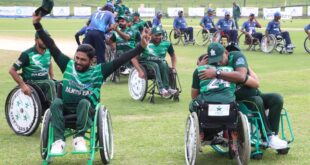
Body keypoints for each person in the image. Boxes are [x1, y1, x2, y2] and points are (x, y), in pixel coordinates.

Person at [32, 13, 149, 154]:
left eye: (82, 60)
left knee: (84, 103)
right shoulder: (67, 65)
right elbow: (51, 45)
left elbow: (121, 59)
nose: (78, 62)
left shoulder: (100, 71)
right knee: (56, 103)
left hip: (87, 112)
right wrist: (37, 25)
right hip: (65, 111)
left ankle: (79, 139)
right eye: (77, 58)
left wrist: (140, 48)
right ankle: (58, 142)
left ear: (92, 60)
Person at [9, 30, 56, 104]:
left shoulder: (49, 51)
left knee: (59, 83)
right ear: (36, 40)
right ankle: (54, 108)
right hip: (31, 82)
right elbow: (12, 71)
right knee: (50, 83)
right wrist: (23, 85)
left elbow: (49, 62)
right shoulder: (27, 54)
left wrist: (52, 77)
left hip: (45, 82)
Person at [132, 26, 177, 97]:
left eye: (160, 35)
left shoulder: (167, 44)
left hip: (159, 62)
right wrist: (139, 71)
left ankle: (167, 87)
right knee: (155, 65)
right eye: (156, 35)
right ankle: (161, 88)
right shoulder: (145, 43)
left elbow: (173, 56)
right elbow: (133, 58)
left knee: (164, 63)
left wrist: (174, 67)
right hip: (145, 62)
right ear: (151, 34)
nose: (158, 37)